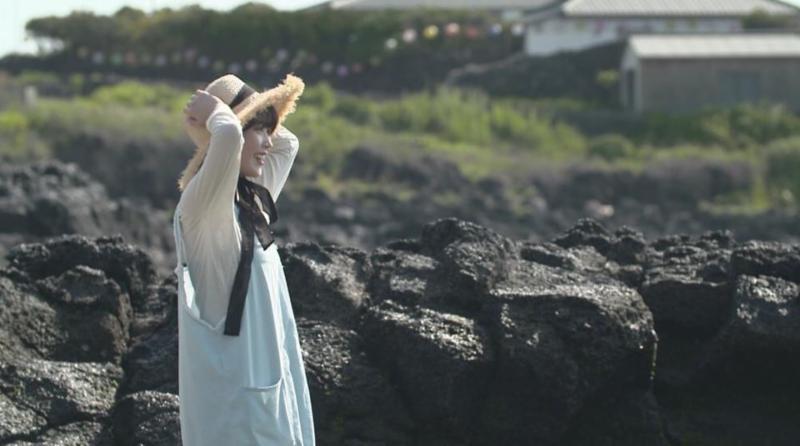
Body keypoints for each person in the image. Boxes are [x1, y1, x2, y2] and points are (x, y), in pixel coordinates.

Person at [172, 72, 315, 445]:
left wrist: (256, 113)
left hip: (270, 399)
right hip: (235, 409)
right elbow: (230, 137)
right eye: (260, 131)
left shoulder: (252, 201)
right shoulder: (203, 206)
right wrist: (221, 115)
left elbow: (289, 144)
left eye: (270, 130)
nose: (269, 142)